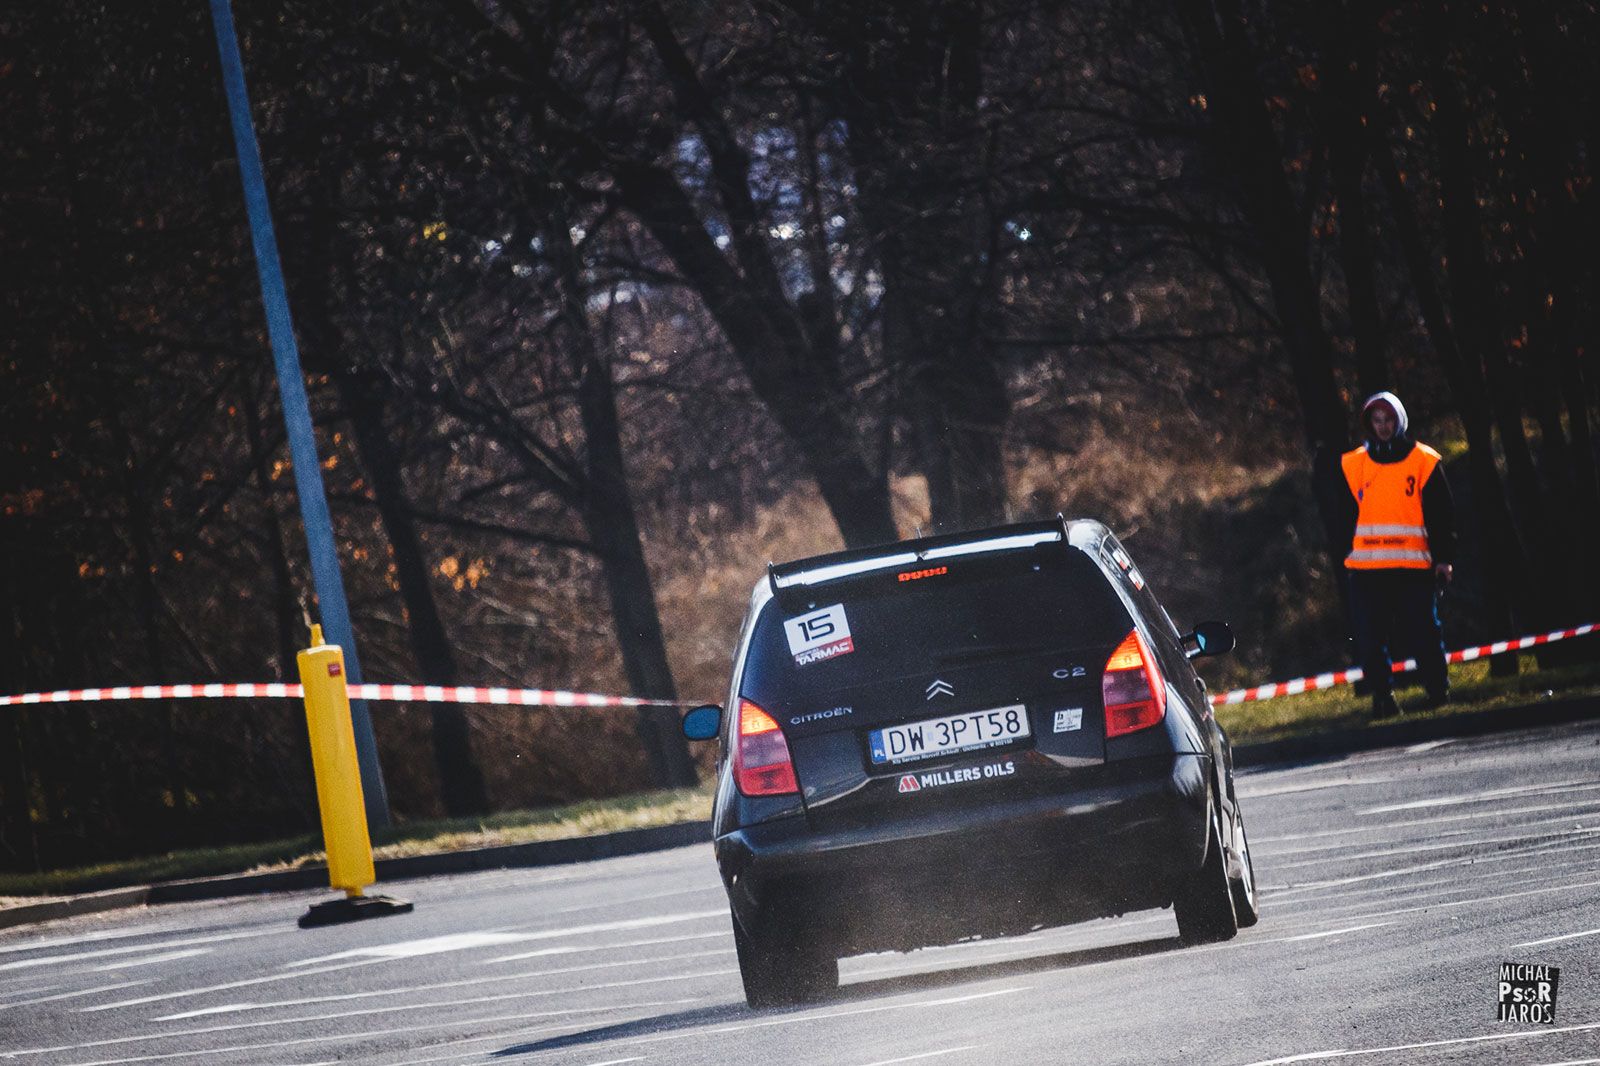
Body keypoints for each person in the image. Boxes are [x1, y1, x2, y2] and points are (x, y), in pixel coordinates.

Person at [1339, 391, 1456, 716]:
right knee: (1370, 639)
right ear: (1369, 424)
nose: (1383, 426)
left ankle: (1438, 692)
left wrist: (1444, 559)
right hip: (1368, 572)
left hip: (1413, 567)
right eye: (1377, 420)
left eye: (1388, 419)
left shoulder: (1423, 460)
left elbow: (1442, 515)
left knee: (1425, 634)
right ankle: (1383, 699)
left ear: (1399, 420)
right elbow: (1344, 515)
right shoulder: (1354, 463)